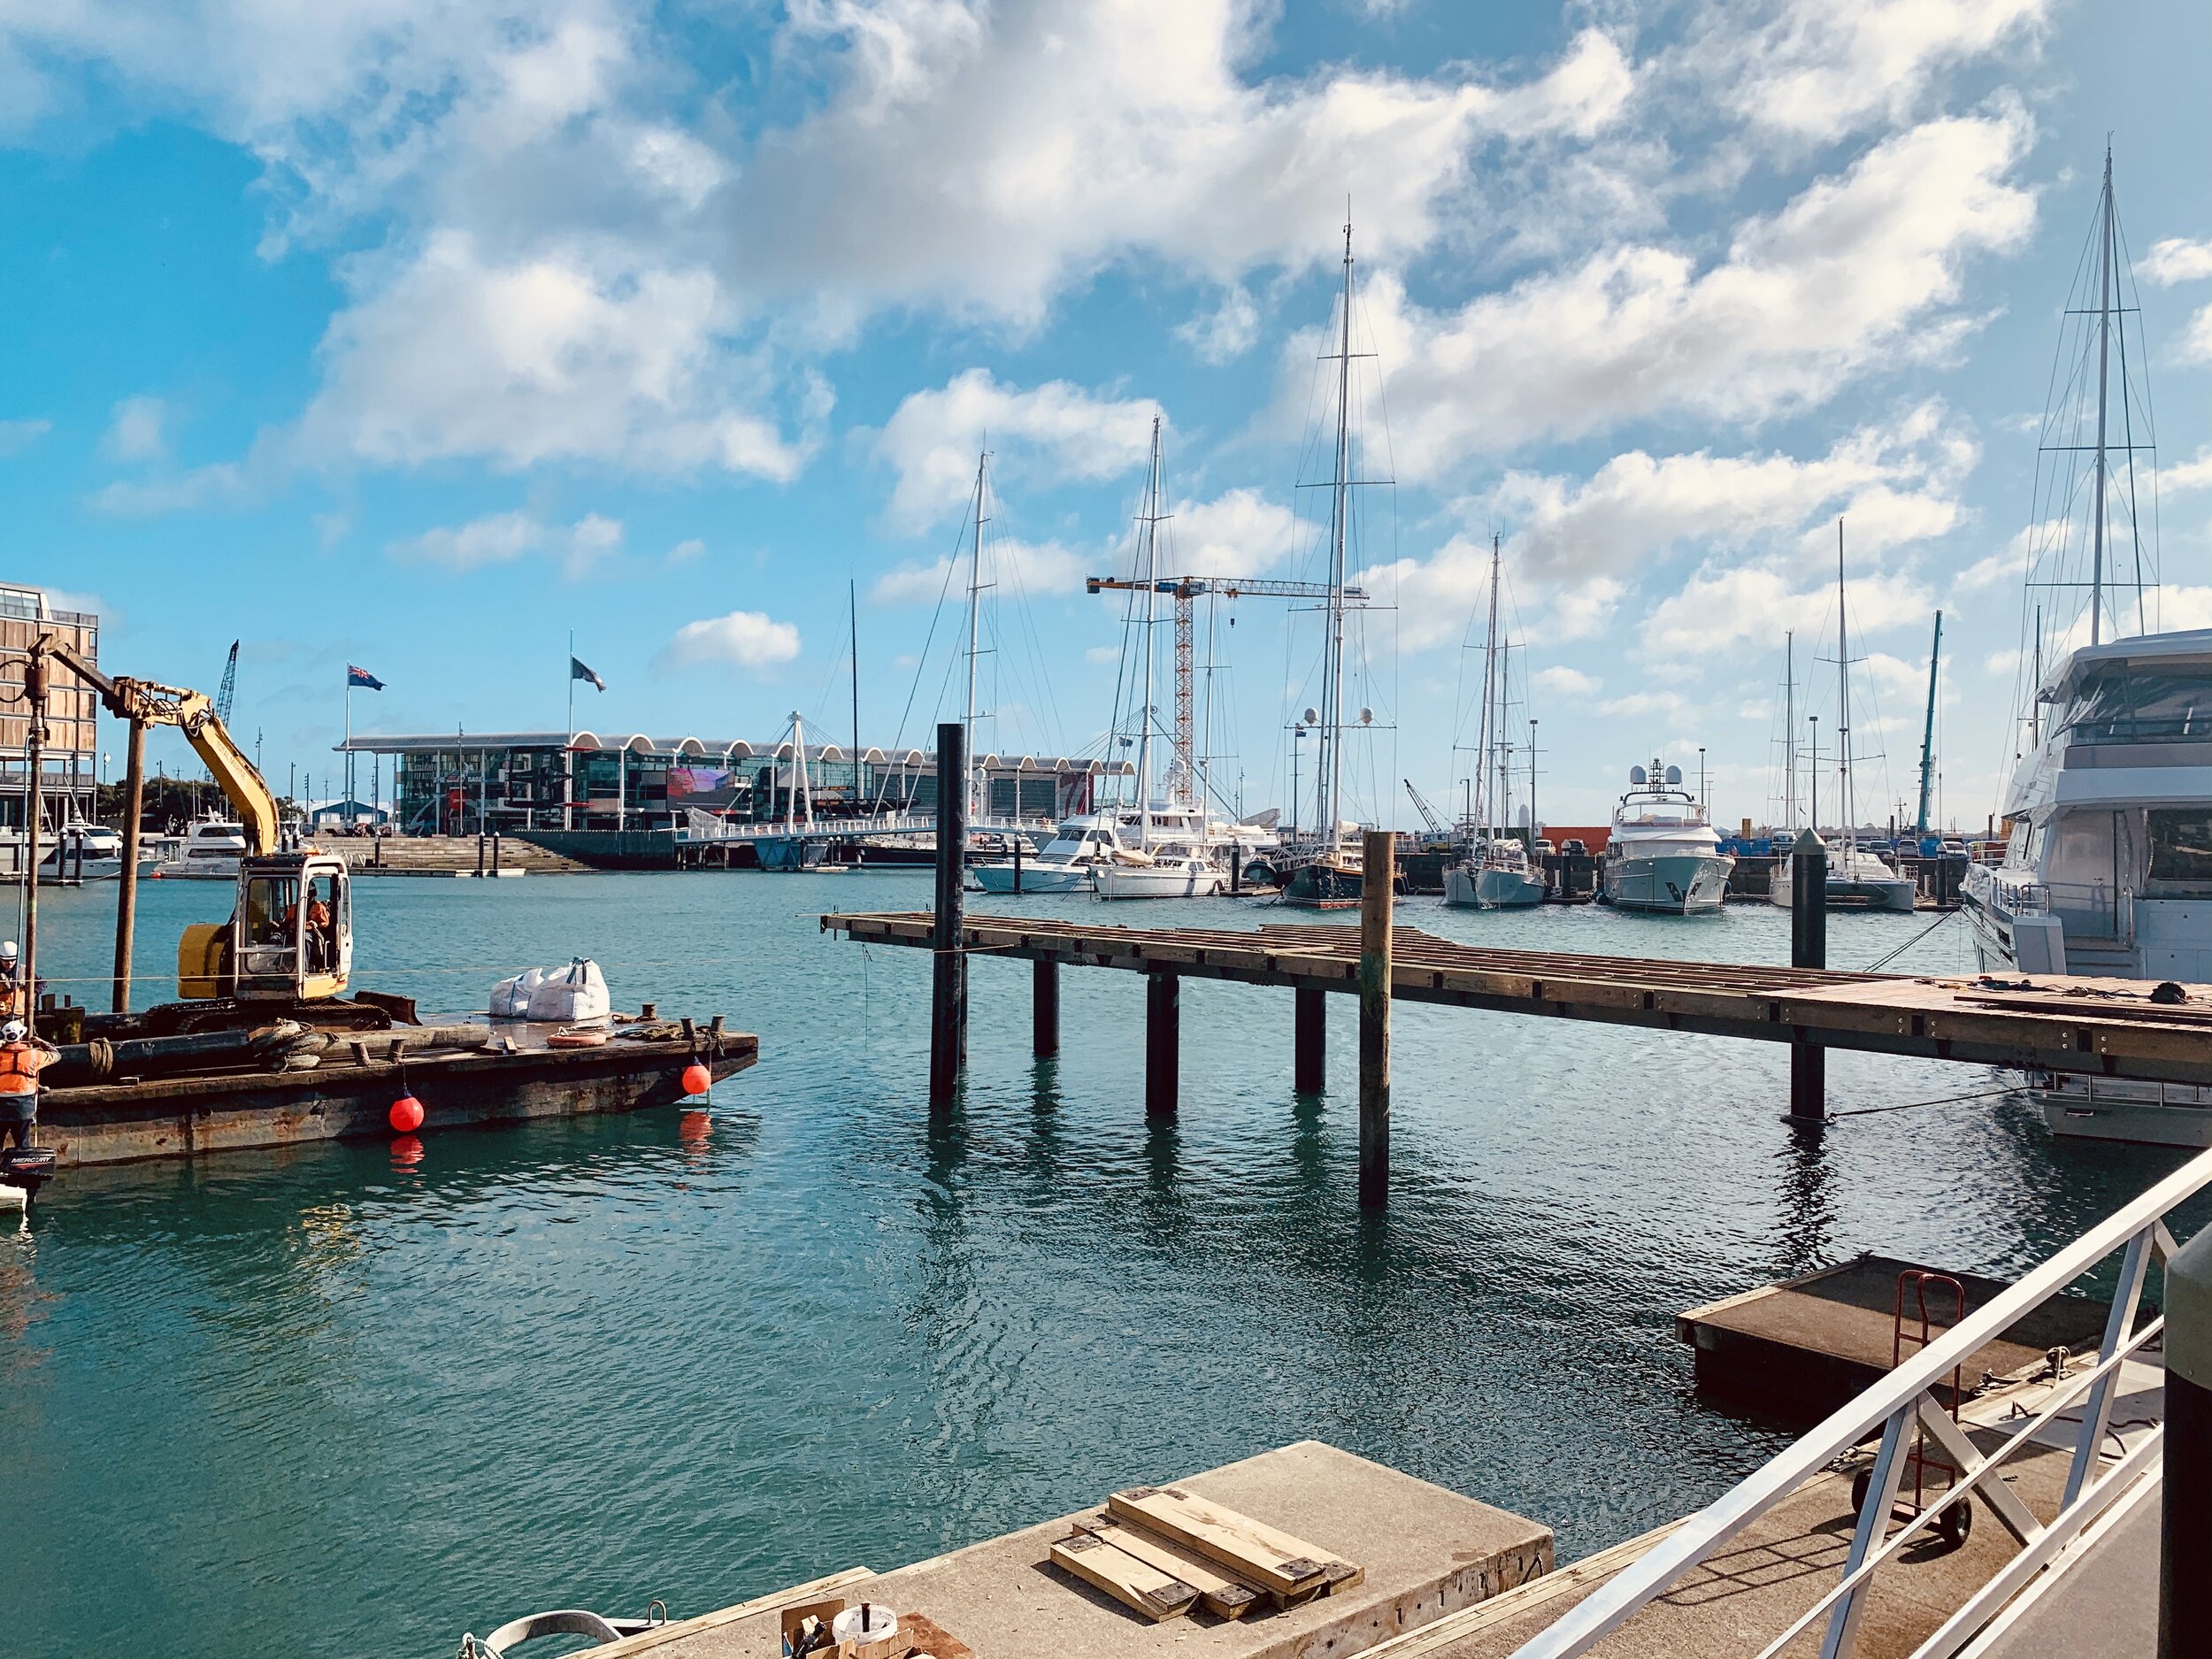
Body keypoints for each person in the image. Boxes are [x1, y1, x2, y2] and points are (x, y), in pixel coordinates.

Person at [0, 1019, 54, 1150]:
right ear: (21, 1036)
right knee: (23, 1144)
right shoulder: (34, 1055)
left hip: (1, 1105)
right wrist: (43, 1043)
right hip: (23, 1107)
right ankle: (23, 1161)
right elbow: (56, 1055)